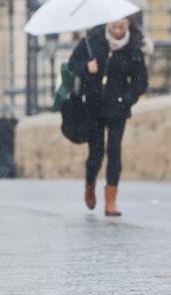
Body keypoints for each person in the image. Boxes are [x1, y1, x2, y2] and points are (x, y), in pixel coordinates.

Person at [68, 18, 148, 216]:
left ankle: (111, 201)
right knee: (96, 154)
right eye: (114, 27)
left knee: (114, 150)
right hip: (94, 106)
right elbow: (72, 65)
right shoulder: (92, 39)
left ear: (128, 25)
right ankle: (90, 184)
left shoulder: (134, 46)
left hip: (118, 107)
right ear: (108, 25)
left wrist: (127, 98)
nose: (118, 31)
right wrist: (87, 68)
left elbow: (141, 80)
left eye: (122, 27)